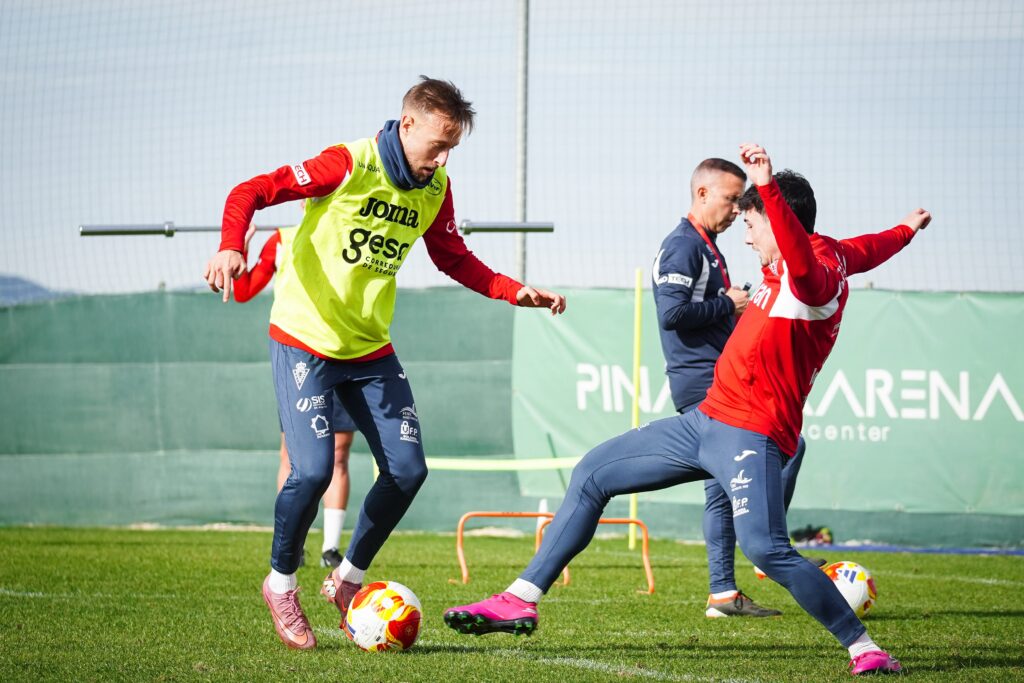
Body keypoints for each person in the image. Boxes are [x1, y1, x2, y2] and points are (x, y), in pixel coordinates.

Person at [445, 143, 930, 676]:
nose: (746, 235)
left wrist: (767, 186)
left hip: (751, 433)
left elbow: (798, 253)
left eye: (752, 222)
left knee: (768, 551)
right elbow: (871, 246)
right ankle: (520, 597)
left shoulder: (809, 278)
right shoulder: (831, 251)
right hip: (703, 421)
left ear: (781, 221)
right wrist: (907, 227)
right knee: (591, 473)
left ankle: (865, 649)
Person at [204, 76, 567, 651]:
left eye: (452, 148)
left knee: (409, 470)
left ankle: (347, 580)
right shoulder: (348, 163)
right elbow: (251, 190)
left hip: (369, 348)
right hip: (303, 339)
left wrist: (514, 291)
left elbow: (455, 258)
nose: (443, 158)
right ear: (408, 124)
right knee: (313, 472)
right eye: (438, 144)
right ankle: (280, 583)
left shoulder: (436, 187)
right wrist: (232, 243)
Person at [652, 159, 816, 618]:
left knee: (735, 481)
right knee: (731, 482)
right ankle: (763, 556)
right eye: (730, 199)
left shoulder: (709, 246)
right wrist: (727, 303)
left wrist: (732, 310)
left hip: (717, 374)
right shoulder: (682, 246)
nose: (736, 210)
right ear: (702, 194)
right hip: (702, 380)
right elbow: (672, 315)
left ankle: (739, 577)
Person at [233, 222, 355, 569]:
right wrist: (238, 251)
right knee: (292, 455)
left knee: (338, 454)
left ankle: (331, 548)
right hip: (301, 358)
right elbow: (244, 290)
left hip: (346, 354)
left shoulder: (353, 229)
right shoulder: (283, 238)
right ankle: (292, 544)